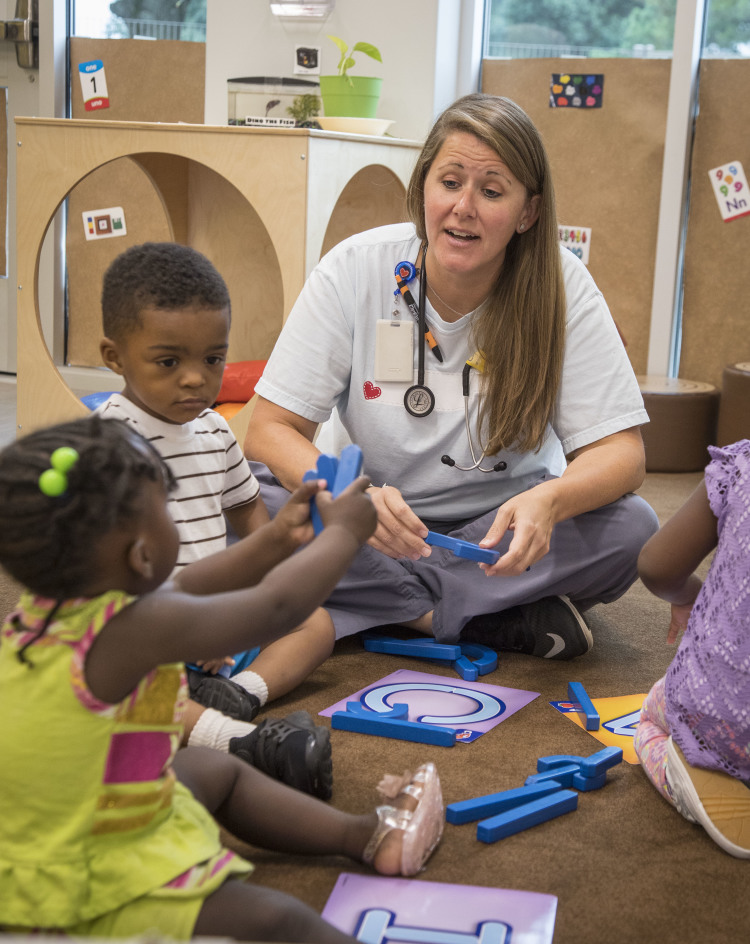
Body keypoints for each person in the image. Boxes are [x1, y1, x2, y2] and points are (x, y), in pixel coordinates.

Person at [245, 93, 659, 659]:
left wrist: (555, 501)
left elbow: (623, 454)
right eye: (449, 183)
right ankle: (457, 616)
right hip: (374, 517)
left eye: (491, 192)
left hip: (500, 530)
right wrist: (351, 498)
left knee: (632, 530)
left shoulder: (564, 286)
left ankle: (380, 607)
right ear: (422, 189)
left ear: (527, 213)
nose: (463, 207)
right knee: (235, 499)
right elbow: (268, 430)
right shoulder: (353, 267)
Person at [0, 415, 444, 943]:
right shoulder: (131, 631)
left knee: (212, 769)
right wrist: (346, 534)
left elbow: (190, 584)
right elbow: (275, 607)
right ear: (142, 555)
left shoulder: (65, 608)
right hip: (85, 877)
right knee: (281, 921)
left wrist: (278, 538)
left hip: (75, 815)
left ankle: (364, 835)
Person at [96, 242, 337, 797]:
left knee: (316, 623)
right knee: (124, 690)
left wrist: (260, 589)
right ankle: (235, 740)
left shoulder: (214, 431)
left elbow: (248, 510)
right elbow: (105, 570)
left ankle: (240, 695)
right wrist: (182, 628)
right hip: (143, 630)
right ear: (115, 357)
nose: (195, 380)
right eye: (168, 362)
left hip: (214, 622)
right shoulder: (108, 444)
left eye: (212, 360)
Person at [634, 439, 750, 858]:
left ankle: (685, 758)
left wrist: (690, 594)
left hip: (720, 718)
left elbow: (656, 565)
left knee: (651, 716)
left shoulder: (743, 465)